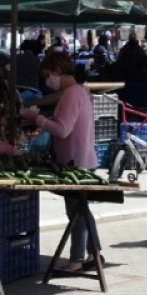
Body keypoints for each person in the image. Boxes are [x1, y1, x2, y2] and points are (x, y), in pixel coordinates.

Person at [20, 53, 103, 271]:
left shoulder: (71, 94)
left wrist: (36, 119)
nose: (48, 80)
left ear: (58, 71)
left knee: (76, 211)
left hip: (75, 162)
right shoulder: (81, 92)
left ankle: (76, 261)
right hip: (84, 159)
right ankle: (94, 254)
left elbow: (63, 130)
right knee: (82, 210)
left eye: (48, 75)